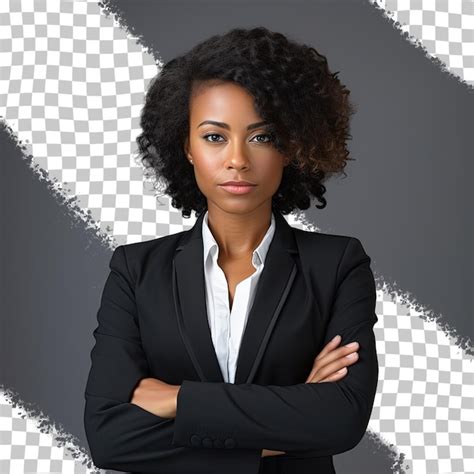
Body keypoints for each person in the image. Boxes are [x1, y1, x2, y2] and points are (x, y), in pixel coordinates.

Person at [83, 26, 378, 474]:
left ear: (291, 147)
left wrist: (177, 398)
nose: (237, 159)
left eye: (261, 137)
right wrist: (289, 419)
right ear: (186, 147)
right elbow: (109, 438)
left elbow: (341, 420)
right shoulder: (136, 270)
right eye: (214, 137)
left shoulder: (336, 265)